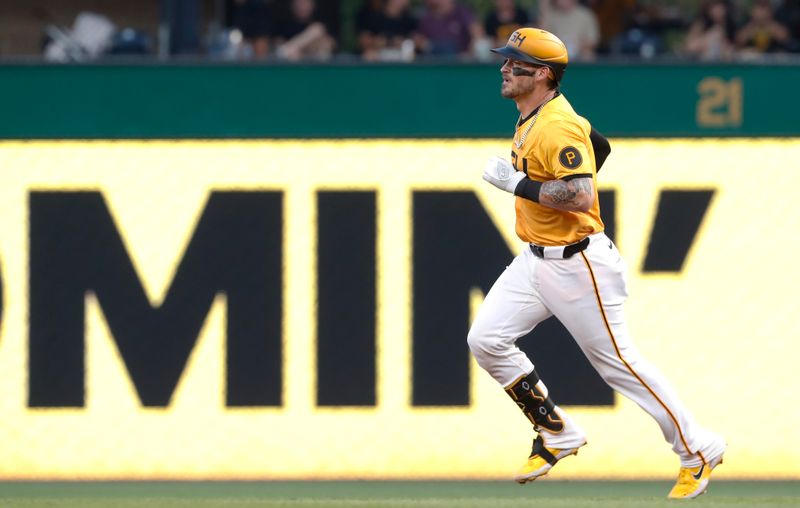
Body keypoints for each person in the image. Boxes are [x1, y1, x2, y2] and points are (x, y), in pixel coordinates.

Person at [472, 27, 726, 500]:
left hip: (577, 262)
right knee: (485, 338)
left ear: (543, 74)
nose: (505, 68)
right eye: (506, 60)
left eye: (516, 63)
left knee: (619, 366)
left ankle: (698, 448)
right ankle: (556, 431)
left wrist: (517, 185)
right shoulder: (541, 115)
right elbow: (599, 144)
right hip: (535, 259)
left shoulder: (553, 125)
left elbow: (581, 193)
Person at [416, 0, 483, 57]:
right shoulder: (425, 18)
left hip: (459, 61)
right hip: (434, 62)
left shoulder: (462, 12)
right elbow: (420, 41)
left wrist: (470, 52)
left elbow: (477, 32)